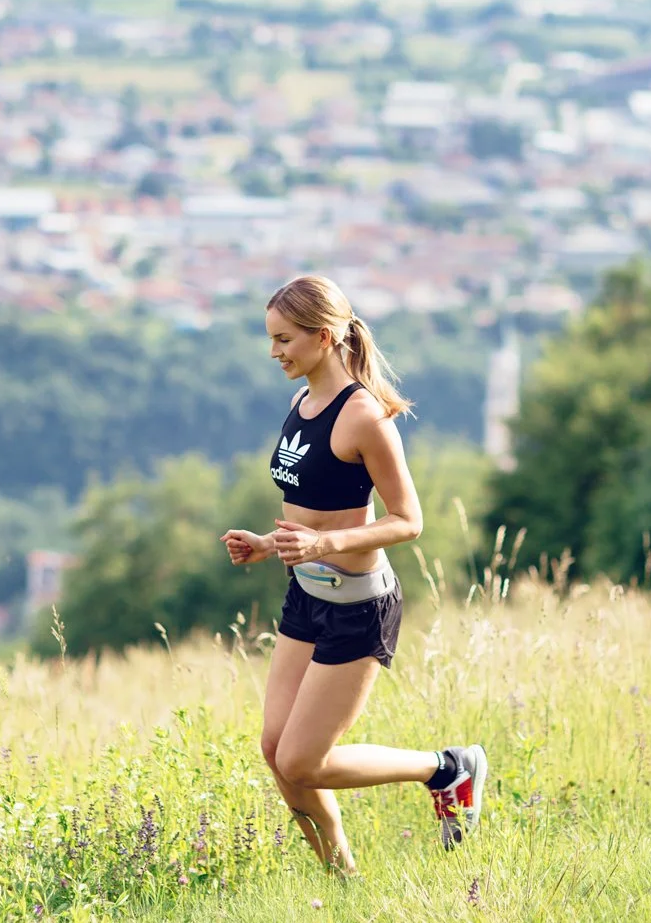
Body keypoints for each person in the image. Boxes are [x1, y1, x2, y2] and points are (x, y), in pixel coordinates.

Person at [222, 275, 487, 876]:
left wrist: (327, 541)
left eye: (284, 339)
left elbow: (409, 521)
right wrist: (271, 544)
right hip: (305, 594)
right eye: (271, 339)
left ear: (324, 336)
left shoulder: (364, 416)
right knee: (275, 750)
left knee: (303, 762)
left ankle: (445, 770)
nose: (275, 352)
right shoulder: (301, 403)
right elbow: (313, 502)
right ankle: (343, 884)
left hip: (358, 606)